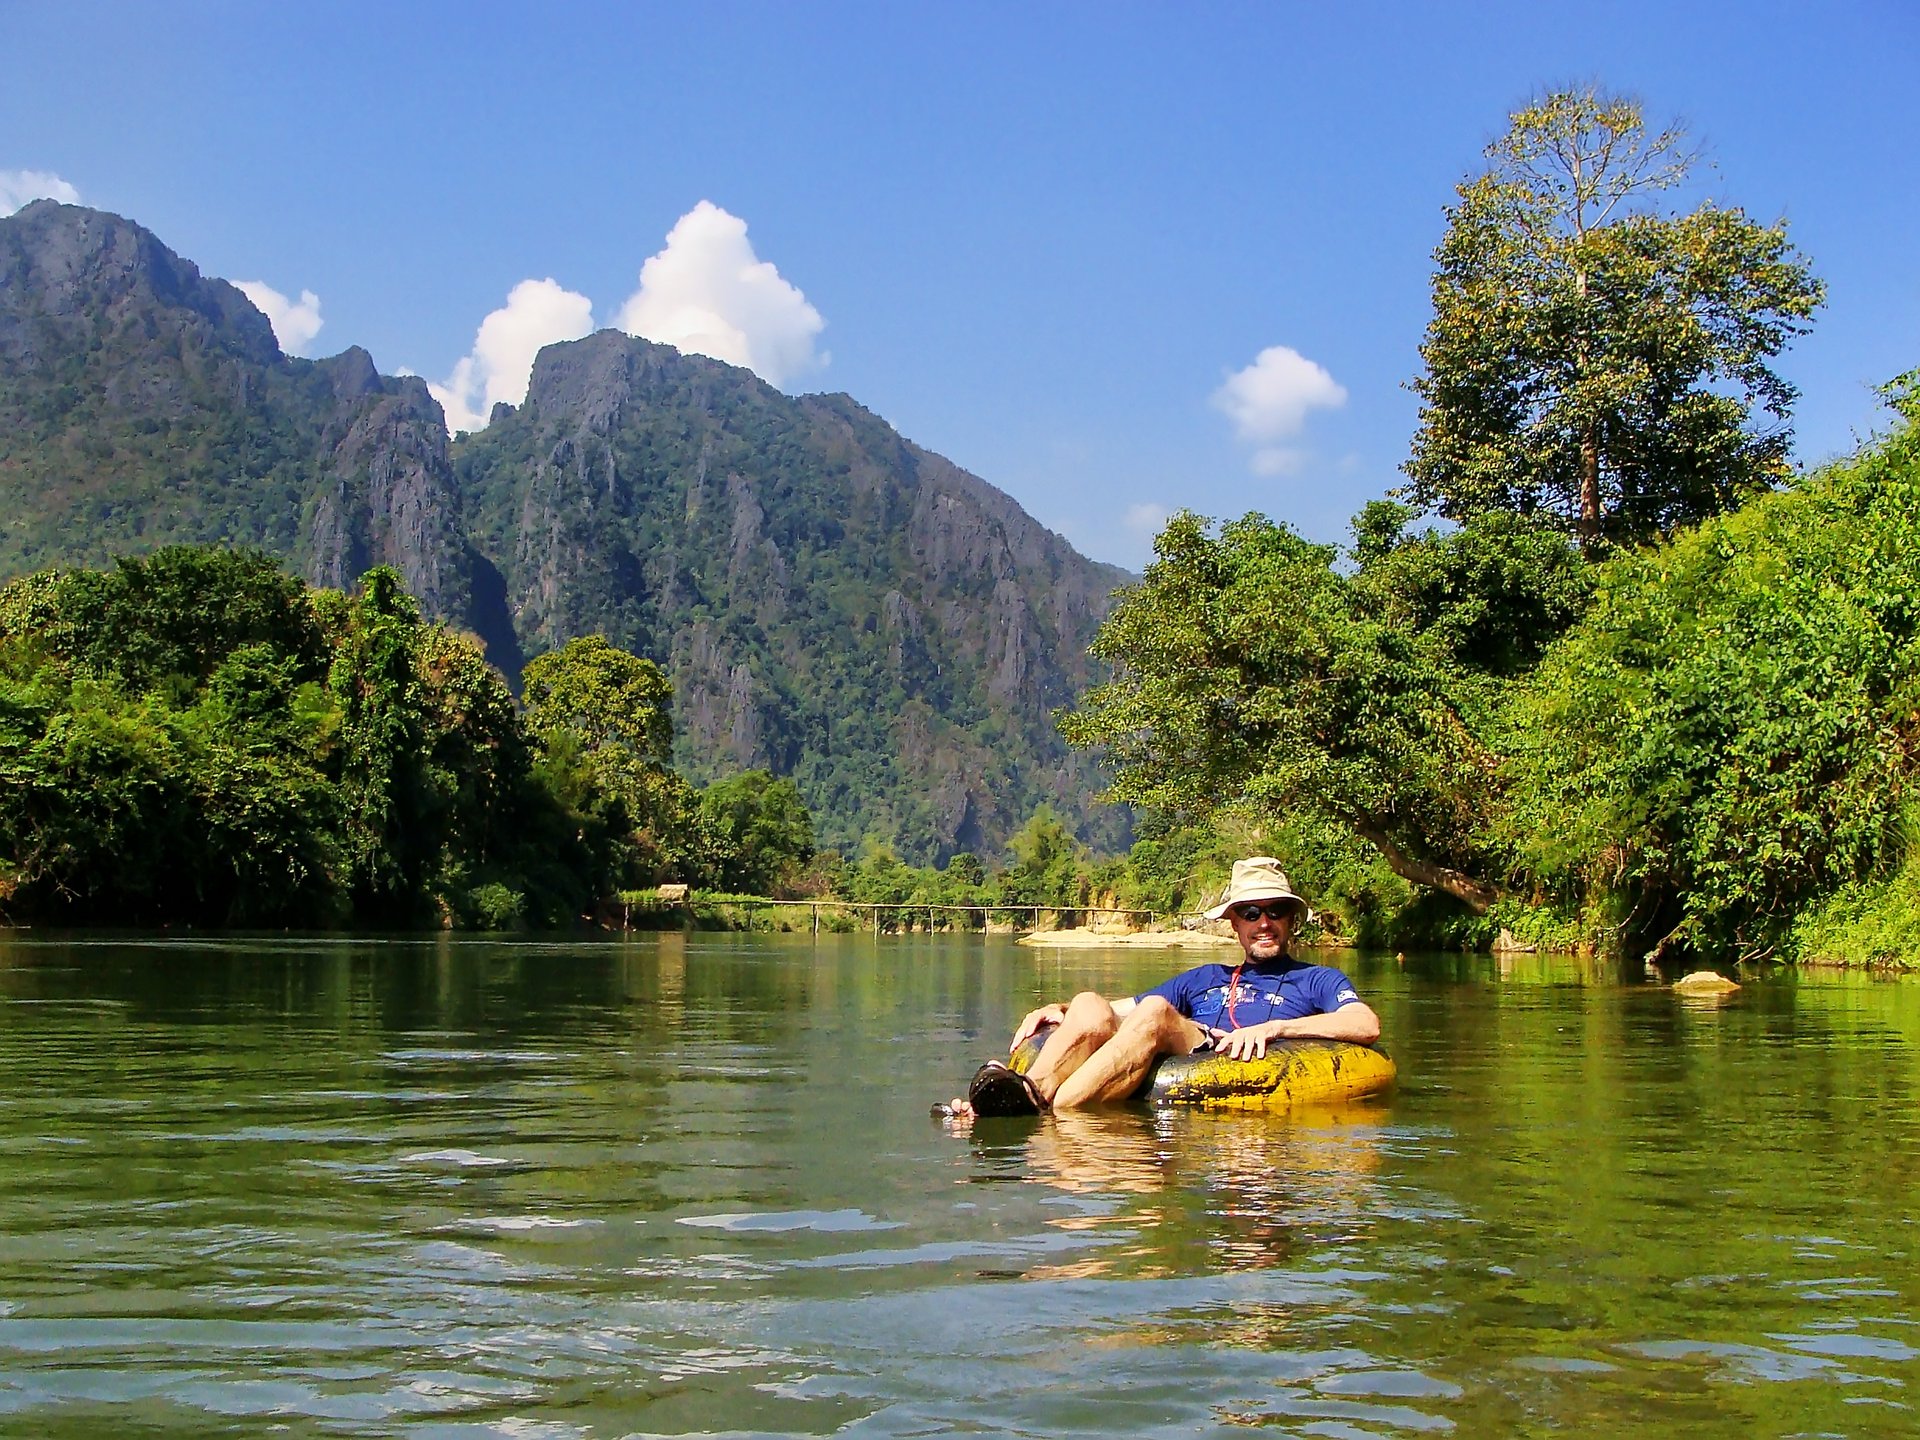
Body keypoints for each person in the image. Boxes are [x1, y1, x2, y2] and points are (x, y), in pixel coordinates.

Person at [946, 857, 1381, 1118]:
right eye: (1250, 912)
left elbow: (1365, 1024)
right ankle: (1026, 1092)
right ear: (1234, 922)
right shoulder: (1206, 977)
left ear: (1291, 919)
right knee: (1089, 1002)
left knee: (1155, 1011)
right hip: (1177, 1050)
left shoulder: (1316, 979)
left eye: (1276, 911)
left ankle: (1043, 1115)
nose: (1263, 923)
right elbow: (1117, 1010)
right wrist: (1057, 1009)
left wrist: (1276, 1029)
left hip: (1224, 1054)